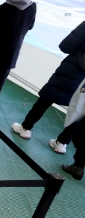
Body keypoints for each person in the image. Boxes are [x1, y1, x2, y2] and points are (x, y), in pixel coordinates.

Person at [10, 21, 85, 152]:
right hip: (82, 80)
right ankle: (62, 143)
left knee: (45, 99)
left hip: (72, 70)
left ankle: (26, 128)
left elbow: (65, 46)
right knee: (78, 110)